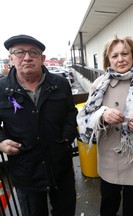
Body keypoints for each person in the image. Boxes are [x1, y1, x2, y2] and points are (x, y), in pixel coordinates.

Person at [77, 36, 133, 216]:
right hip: (109, 160)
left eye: (125, 54)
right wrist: (102, 116)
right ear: (108, 60)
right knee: (108, 206)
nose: (120, 59)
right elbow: (84, 116)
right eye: (114, 55)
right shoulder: (99, 84)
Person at [0, 34, 78, 216]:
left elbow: (71, 113)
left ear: (42, 58)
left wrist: (66, 138)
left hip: (61, 168)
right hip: (26, 173)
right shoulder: (1, 89)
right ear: (11, 58)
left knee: (65, 211)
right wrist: (2, 142)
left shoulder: (60, 84)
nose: (27, 57)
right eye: (19, 52)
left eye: (33, 53)